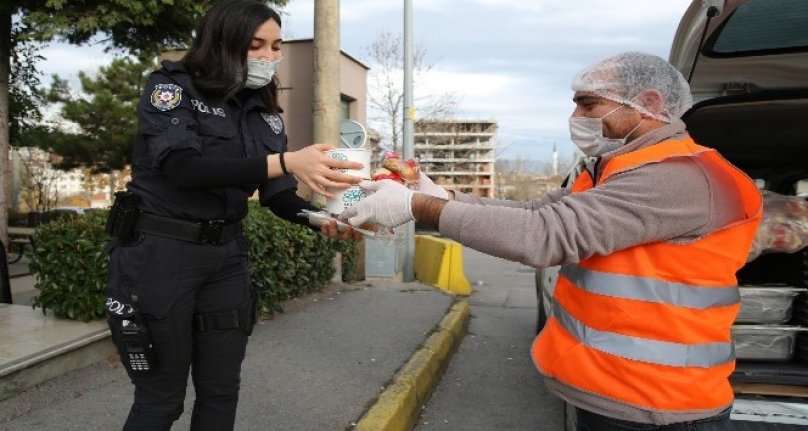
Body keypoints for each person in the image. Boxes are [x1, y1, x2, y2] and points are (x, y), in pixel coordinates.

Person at [340, 52, 762, 430]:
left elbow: (542, 237)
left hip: (657, 407)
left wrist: (418, 207)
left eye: (589, 102)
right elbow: (534, 214)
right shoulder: (615, 168)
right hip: (618, 394)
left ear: (649, 104)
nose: (576, 113)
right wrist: (443, 196)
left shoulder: (678, 178)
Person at [104, 1, 361, 429]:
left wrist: (322, 220)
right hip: (161, 257)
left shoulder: (262, 111)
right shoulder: (171, 88)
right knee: (161, 401)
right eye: (255, 44)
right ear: (223, 42)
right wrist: (286, 162)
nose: (267, 56)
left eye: (275, 46)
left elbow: (279, 196)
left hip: (225, 261)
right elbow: (181, 168)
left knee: (221, 392)